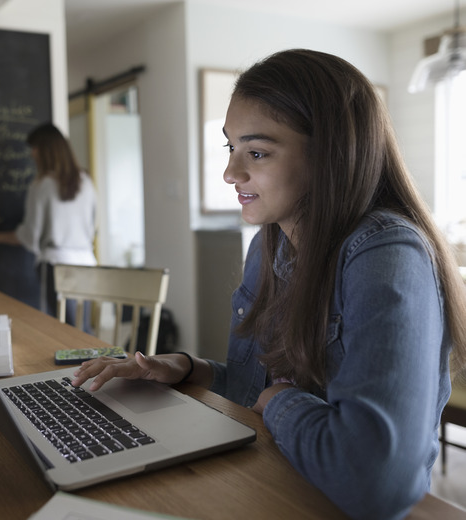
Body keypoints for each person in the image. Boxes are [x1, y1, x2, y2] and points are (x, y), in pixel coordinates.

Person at [71, 49, 466, 520]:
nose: (230, 173)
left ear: (332, 154)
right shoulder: (270, 243)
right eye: (230, 148)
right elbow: (255, 388)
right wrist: (185, 367)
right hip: (272, 479)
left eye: (256, 153)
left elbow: (375, 483)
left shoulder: (386, 255)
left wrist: (281, 404)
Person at [0, 123, 96, 325]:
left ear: (46, 150)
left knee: (63, 331)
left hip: (57, 266)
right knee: (81, 328)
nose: (32, 154)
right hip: (87, 264)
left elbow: (30, 236)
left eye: (35, 147)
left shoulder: (42, 185)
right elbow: (93, 227)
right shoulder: (86, 181)